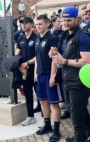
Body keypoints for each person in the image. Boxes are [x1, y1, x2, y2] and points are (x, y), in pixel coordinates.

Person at [51, 6, 90, 142]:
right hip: (68, 80)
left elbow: (86, 62)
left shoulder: (83, 36)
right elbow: (65, 57)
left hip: (79, 82)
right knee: (82, 112)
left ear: (77, 19)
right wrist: (55, 55)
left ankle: (80, 138)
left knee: (76, 119)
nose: (65, 23)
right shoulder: (66, 34)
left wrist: (64, 61)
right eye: (63, 20)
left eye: (69, 20)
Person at [34, 14, 62, 142]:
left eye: (40, 24)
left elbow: (54, 58)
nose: (38, 26)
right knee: (43, 101)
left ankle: (56, 130)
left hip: (49, 74)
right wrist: (35, 72)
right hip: (40, 75)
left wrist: (53, 76)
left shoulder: (52, 38)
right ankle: (47, 125)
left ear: (47, 24)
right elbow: (37, 57)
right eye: (37, 24)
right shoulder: (37, 38)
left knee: (54, 103)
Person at [15, 17, 38, 125]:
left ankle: (45, 117)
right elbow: (17, 54)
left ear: (32, 24)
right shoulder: (21, 38)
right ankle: (30, 116)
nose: (23, 25)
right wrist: (19, 65)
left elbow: (39, 55)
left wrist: (28, 63)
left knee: (40, 95)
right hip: (25, 71)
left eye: (26, 23)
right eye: (22, 23)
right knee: (28, 94)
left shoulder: (37, 38)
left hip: (36, 70)